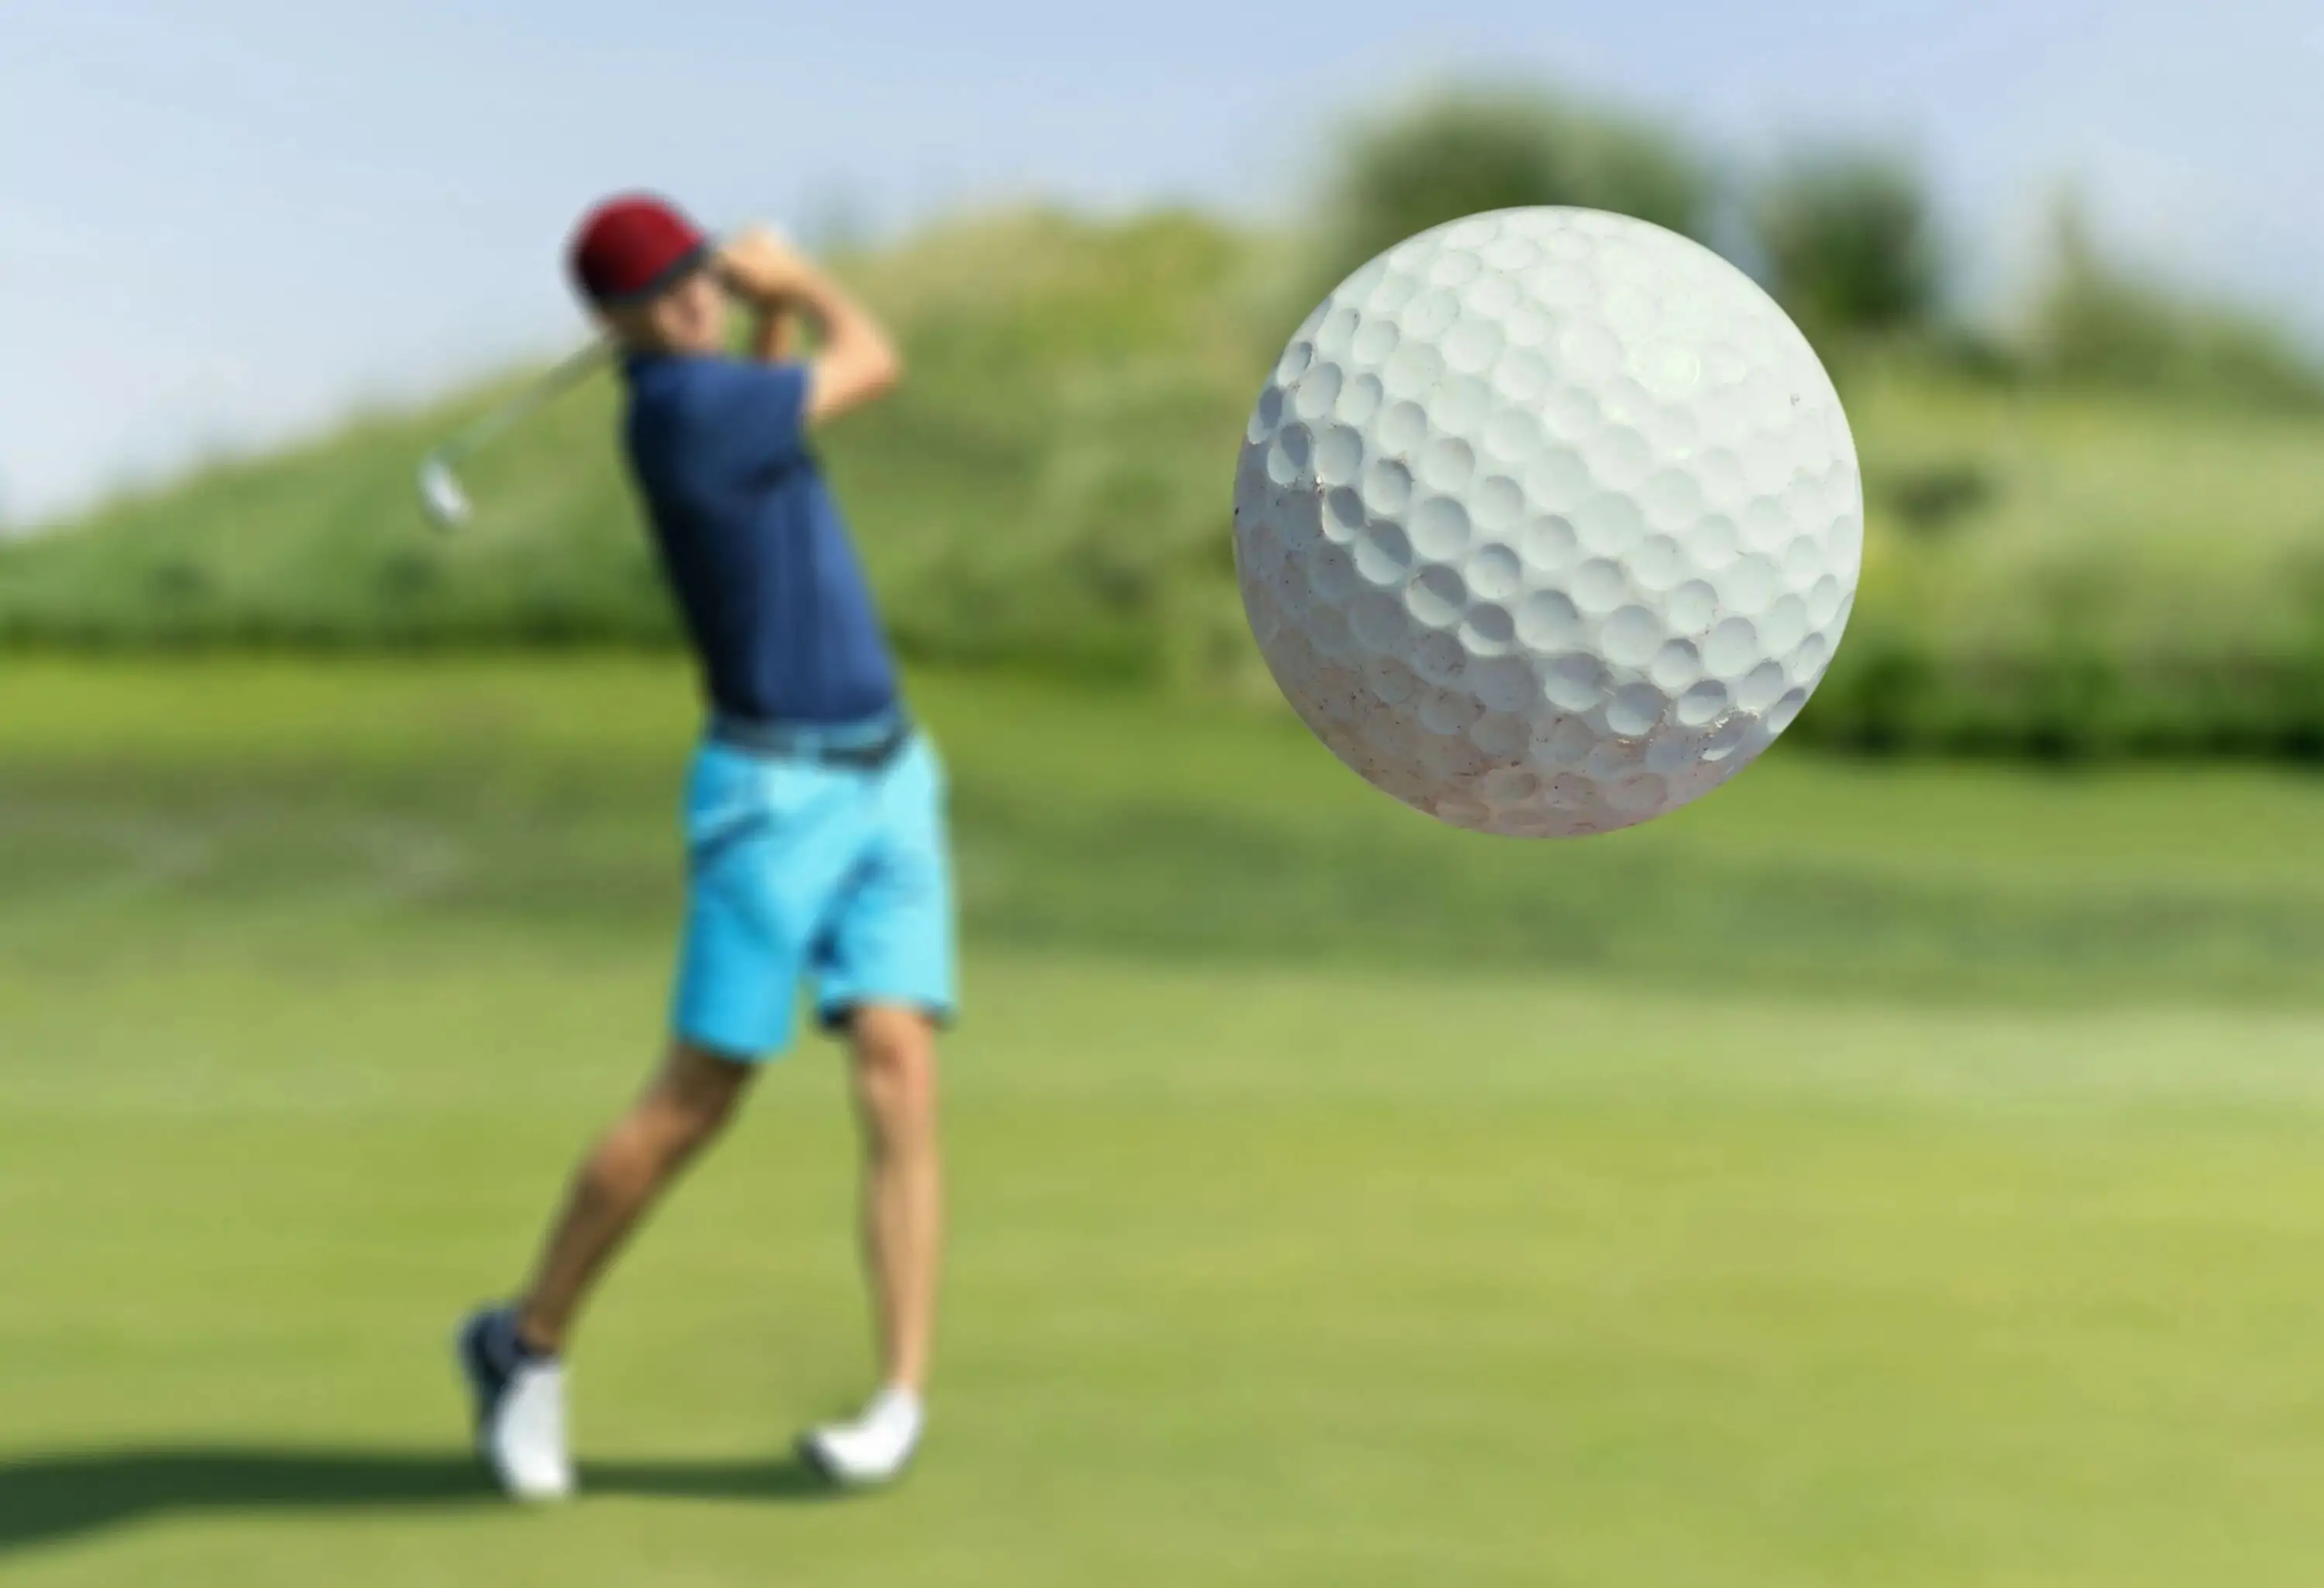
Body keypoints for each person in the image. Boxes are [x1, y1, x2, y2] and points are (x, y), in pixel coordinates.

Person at [456, 194, 951, 1502]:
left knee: (899, 1064)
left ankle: (898, 1397)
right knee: (698, 1095)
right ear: (617, 322)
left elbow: (774, 387)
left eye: (698, 273)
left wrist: (767, 307)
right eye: (667, 289)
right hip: (772, 801)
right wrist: (810, 279)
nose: (694, 296)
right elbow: (877, 361)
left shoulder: (721, 393)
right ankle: (526, 1341)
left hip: (890, 773)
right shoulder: (678, 412)